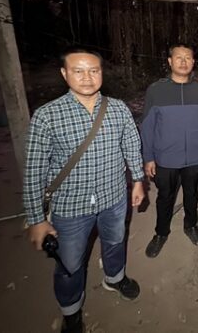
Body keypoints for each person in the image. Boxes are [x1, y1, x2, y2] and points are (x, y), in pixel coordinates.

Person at [23, 48, 145, 333]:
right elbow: (33, 170)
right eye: (78, 71)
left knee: (115, 242)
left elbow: (131, 144)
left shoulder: (118, 108)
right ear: (64, 74)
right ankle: (71, 310)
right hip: (70, 206)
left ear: (102, 73)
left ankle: (114, 278)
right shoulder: (47, 116)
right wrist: (37, 219)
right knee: (70, 263)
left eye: (94, 70)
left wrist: (138, 180)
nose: (87, 77)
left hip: (114, 197)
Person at [140, 44, 198, 258]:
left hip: (195, 156)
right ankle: (161, 233)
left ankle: (190, 225)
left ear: (193, 62)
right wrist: (148, 157)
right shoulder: (156, 90)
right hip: (165, 157)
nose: (183, 61)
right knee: (165, 196)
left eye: (188, 58)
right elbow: (147, 126)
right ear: (170, 61)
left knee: (191, 193)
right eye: (178, 57)